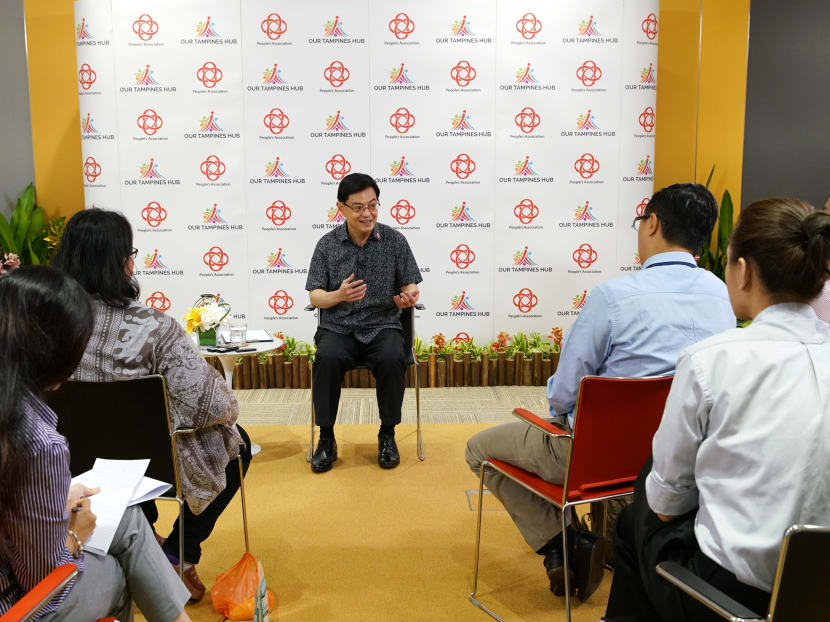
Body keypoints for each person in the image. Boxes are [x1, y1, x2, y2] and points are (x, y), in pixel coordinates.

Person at [465, 183, 736, 601]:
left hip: (595, 461)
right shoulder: (721, 294)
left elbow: (563, 396)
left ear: (652, 223)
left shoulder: (614, 297)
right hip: (680, 458)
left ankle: (565, 543)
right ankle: (595, 542)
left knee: (478, 450)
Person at [603, 198, 830, 622]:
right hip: (820, 594)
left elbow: (666, 504)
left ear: (742, 271)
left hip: (731, 599)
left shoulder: (710, 361)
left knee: (636, 514)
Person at [52, 209, 251, 601]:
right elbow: (211, 405)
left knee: (119, 444)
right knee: (236, 442)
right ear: (123, 263)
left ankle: (147, 541)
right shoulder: (155, 327)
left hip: (66, 462)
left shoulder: (41, 324)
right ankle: (180, 551)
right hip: (151, 463)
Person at [0, 265, 192, 622]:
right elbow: (41, 581)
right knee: (119, 574)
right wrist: (75, 536)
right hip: (20, 606)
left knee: (130, 517)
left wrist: (56, 500)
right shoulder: (38, 443)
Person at [306, 173, 422, 472]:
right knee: (327, 358)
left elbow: (410, 286)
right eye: (358, 207)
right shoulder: (327, 245)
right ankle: (327, 438)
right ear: (341, 208)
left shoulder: (395, 240)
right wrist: (339, 295)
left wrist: (407, 297)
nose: (367, 213)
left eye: (372, 205)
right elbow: (315, 295)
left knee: (392, 357)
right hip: (338, 328)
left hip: (382, 326)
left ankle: (387, 435)